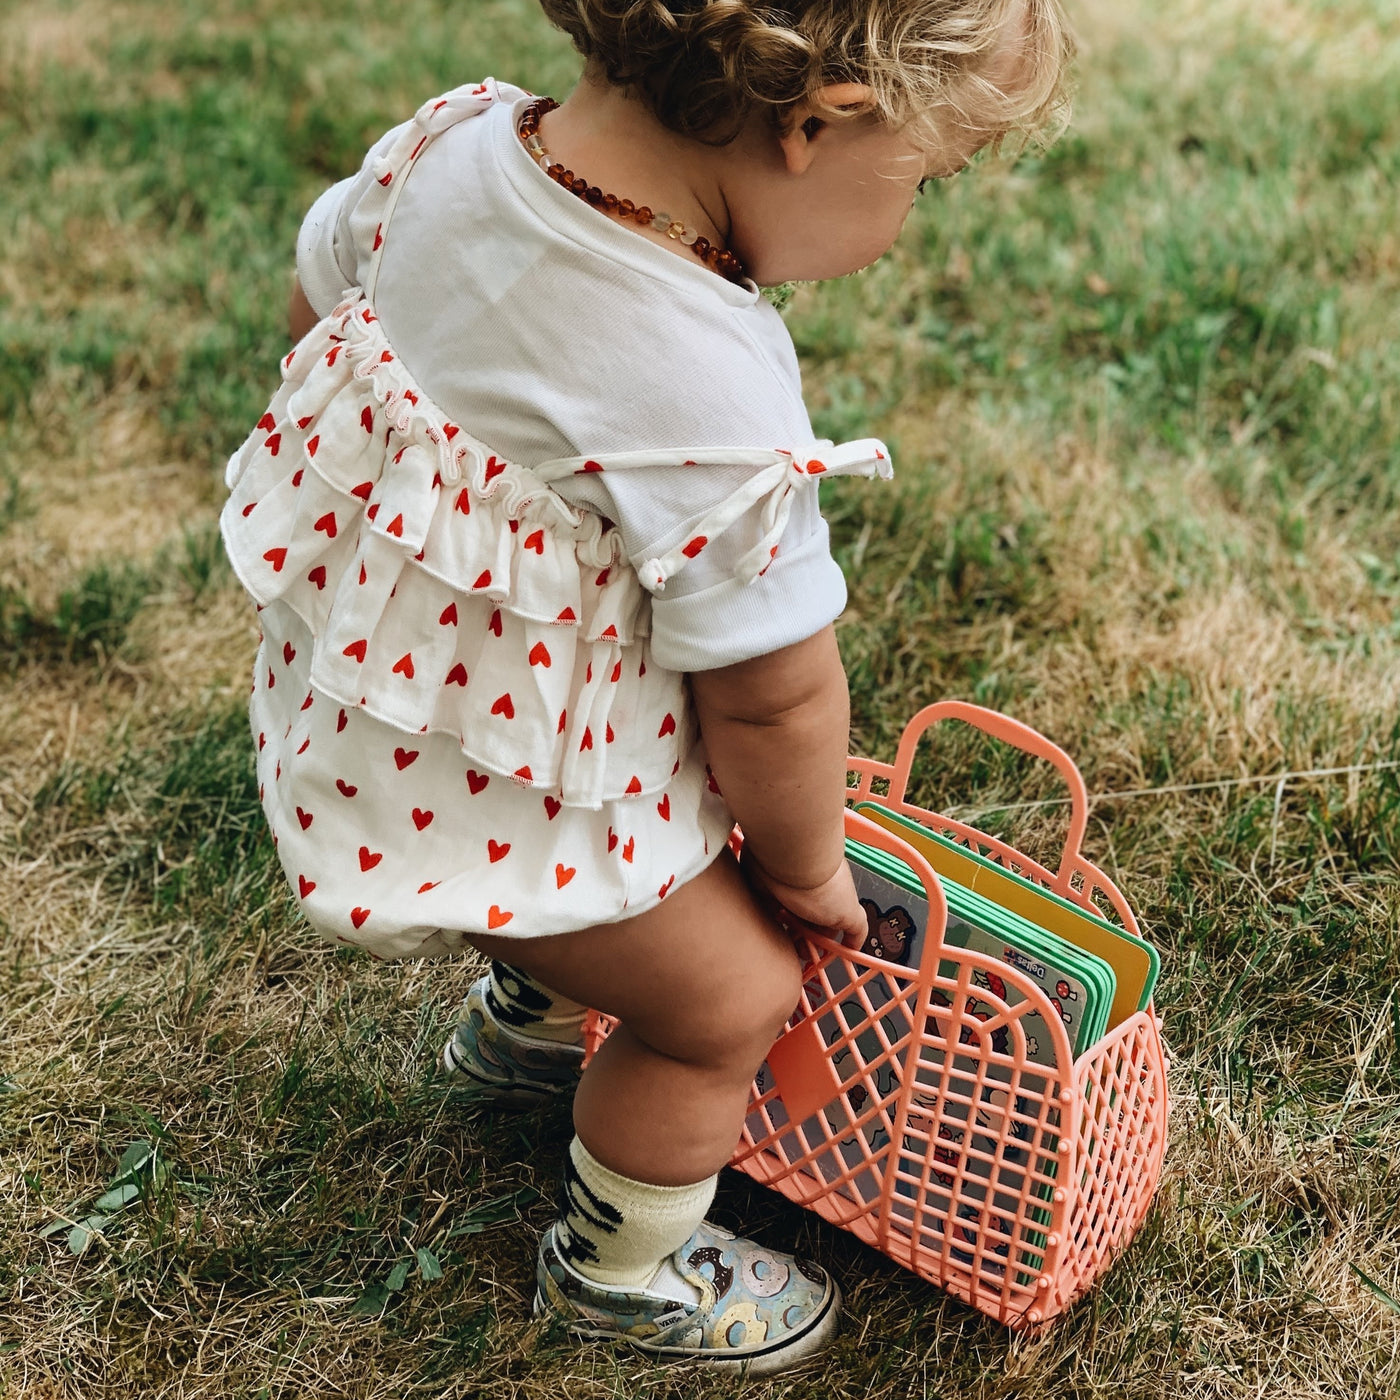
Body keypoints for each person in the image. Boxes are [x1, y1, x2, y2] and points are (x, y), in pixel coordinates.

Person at [220, 0, 1071, 1374]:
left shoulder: (455, 141)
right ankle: (629, 1268)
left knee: (604, 842)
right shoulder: (702, 384)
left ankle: (536, 1013)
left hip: (380, 711)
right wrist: (801, 877)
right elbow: (775, 701)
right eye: (928, 176)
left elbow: (323, 309)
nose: (911, 220)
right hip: (505, 788)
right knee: (725, 996)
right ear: (817, 122)